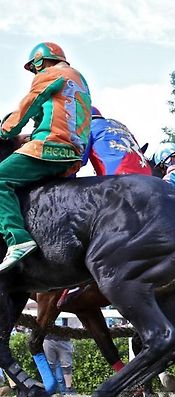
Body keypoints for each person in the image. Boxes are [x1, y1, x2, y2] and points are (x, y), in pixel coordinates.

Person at [0, 42, 91, 272]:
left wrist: (5, 130)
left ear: (42, 61)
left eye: (34, 67)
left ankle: (17, 239)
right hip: (73, 154)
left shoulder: (50, 74)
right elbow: (51, 115)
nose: (34, 72)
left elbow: (29, 105)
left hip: (49, 148)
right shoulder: (79, 79)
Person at [83, 107, 152, 176]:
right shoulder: (119, 125)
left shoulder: (88, 128)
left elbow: (78, 160)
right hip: (148, 174)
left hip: (119, 176)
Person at [43, 326, 76, 395]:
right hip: (48, 339)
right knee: (52, 366)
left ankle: (67, 389)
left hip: (64, 339)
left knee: (67, 366)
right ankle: (56, 390)